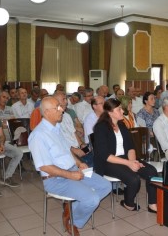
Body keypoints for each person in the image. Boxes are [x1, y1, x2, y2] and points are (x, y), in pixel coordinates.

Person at [28, 97, 110, 235]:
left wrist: (79, 163)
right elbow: (45, 167)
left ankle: (71, 210)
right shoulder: (38, 135)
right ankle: (73, 221)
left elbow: (67, 151)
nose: (62, 110)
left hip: (72, 169)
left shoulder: (56, 128)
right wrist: (71, 175)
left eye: (61, 106)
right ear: (47, 112)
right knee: (92, 199)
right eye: (57, 107)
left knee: (106, 185)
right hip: (55, 179)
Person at [93, 99, 158, 213]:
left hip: (126, 158)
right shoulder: (101, 127)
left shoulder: (121, 125)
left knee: (152, 172)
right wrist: (129, 164)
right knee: (134, 179)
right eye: (119, 109)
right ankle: (128, 203)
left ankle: (153, 204)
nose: (122, 111)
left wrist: (133, 162)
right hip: (108, 162)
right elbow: (105, 155)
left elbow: (130, 147)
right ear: (110, 112)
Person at [53, 91, 93, 167]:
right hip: (68, 151)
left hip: (77, 148)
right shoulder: (53, 120)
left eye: (66, 99)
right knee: (90, 165)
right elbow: (58, 141)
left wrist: (82, 145)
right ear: (56, 102)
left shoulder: (67, 116)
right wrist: (74, 150)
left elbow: (74, 133)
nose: (66, 102)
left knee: (96, 155)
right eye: (63, 99)